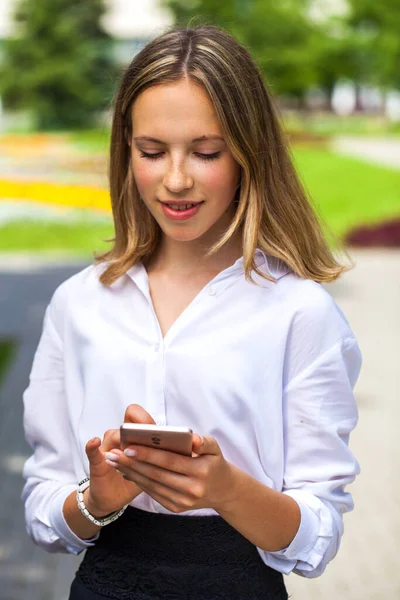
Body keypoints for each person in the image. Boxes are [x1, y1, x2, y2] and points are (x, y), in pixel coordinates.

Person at [21, 24, 362, 600]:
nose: (175, 180)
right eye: (151, 152)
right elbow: (42, 509)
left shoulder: (299, 313)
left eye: (206, 153)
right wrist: (95, 500)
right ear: (125, 150)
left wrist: (226, 489)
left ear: (249, 154)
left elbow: (317, 535)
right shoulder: (79, 303)